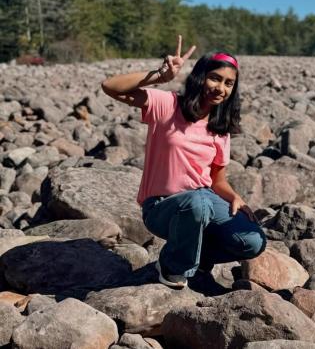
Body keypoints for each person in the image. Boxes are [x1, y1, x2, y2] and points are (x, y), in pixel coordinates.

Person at [101, 36, 266, 289]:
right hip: (161, 206)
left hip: (204, 202)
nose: (221, 88)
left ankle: (198, 256)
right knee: (197, 201)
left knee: (253, 241)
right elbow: (110, 86)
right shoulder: (168, 105)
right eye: (215, 78)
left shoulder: (220, 129)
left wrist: (234, 197)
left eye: (229, 83)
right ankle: (172, 267)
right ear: (200, 77)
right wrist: (158, 75)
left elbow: (216, 181)